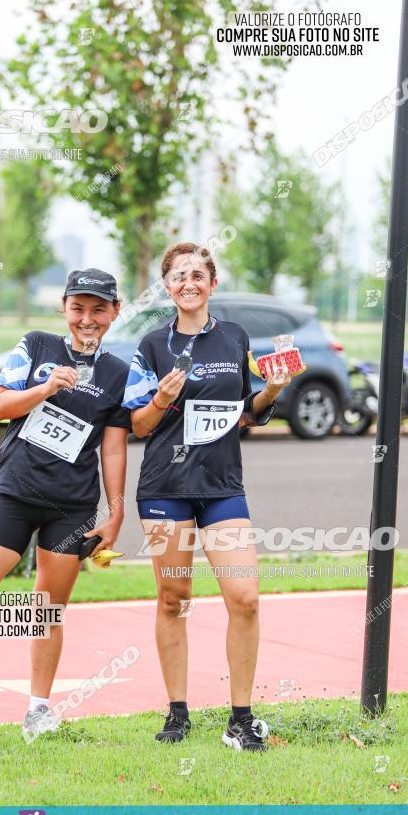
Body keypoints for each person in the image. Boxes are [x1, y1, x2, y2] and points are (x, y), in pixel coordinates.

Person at [0, 269, 131, 744]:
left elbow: (113, 448)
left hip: (72, 508)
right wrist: (47, 388)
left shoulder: (118, 373)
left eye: (99, 309)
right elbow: (2, 407)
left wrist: (115, 513)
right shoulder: (35, 346)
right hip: (13, 494)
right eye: (78, 308)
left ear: (115, 312)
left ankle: (38, 709)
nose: (87, 319)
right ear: (65, 310)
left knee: (47, 609)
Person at [122, 243, 291, 751]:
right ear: (167, 288)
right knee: (175, 598)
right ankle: (177, 713)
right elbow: (137, 423)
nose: (188, 283)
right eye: (178, 276)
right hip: (165, 489)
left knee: (245, 599)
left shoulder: (235, 338)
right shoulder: (151, 345)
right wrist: (160, 399)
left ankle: (240, 718)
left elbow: (247, 413)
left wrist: (273, 390)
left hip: (221, 489)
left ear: (212, 284)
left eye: (198, 274)